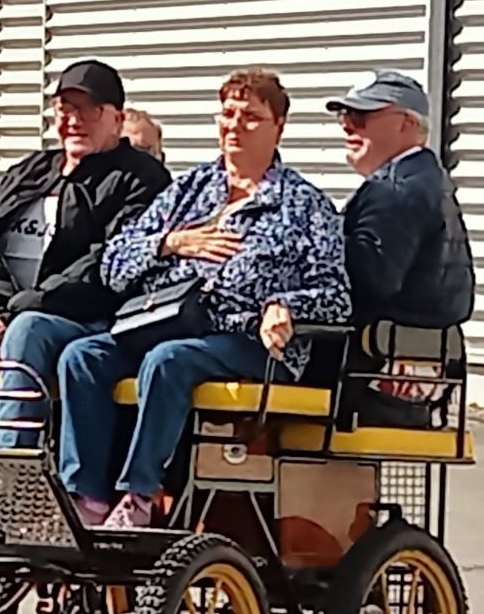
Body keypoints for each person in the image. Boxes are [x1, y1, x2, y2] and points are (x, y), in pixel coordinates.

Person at [57, 67, 351, 530]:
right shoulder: (189, 191)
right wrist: (172, 243)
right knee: (83, 356)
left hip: (247, 340)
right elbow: (114, 264)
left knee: (169, 361)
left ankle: (141, 495)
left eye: (251, 116)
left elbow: (336, 294)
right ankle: (88, 497)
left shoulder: (305, 205)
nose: (235, 125)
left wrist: (286, 307)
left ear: (279, 126)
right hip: (167, 322)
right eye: (228, 113)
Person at [0, 59, 169, 448]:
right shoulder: (28, 171)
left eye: (88, 110)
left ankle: (8, 474)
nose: (74, 120)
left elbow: (104, 263)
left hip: (79, 317)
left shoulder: (138, 179)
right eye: (65, 109)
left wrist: (15, 313)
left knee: (28, 330)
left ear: (116, 118)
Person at [326, 69, 476, 425]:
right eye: (344, 116)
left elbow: (368, 281)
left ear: (406, 123)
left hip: (369, 369)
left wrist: (314, 240)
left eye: (361, 116)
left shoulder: (393, 189)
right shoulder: (427, 180)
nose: (347, 126)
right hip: (419, 367)